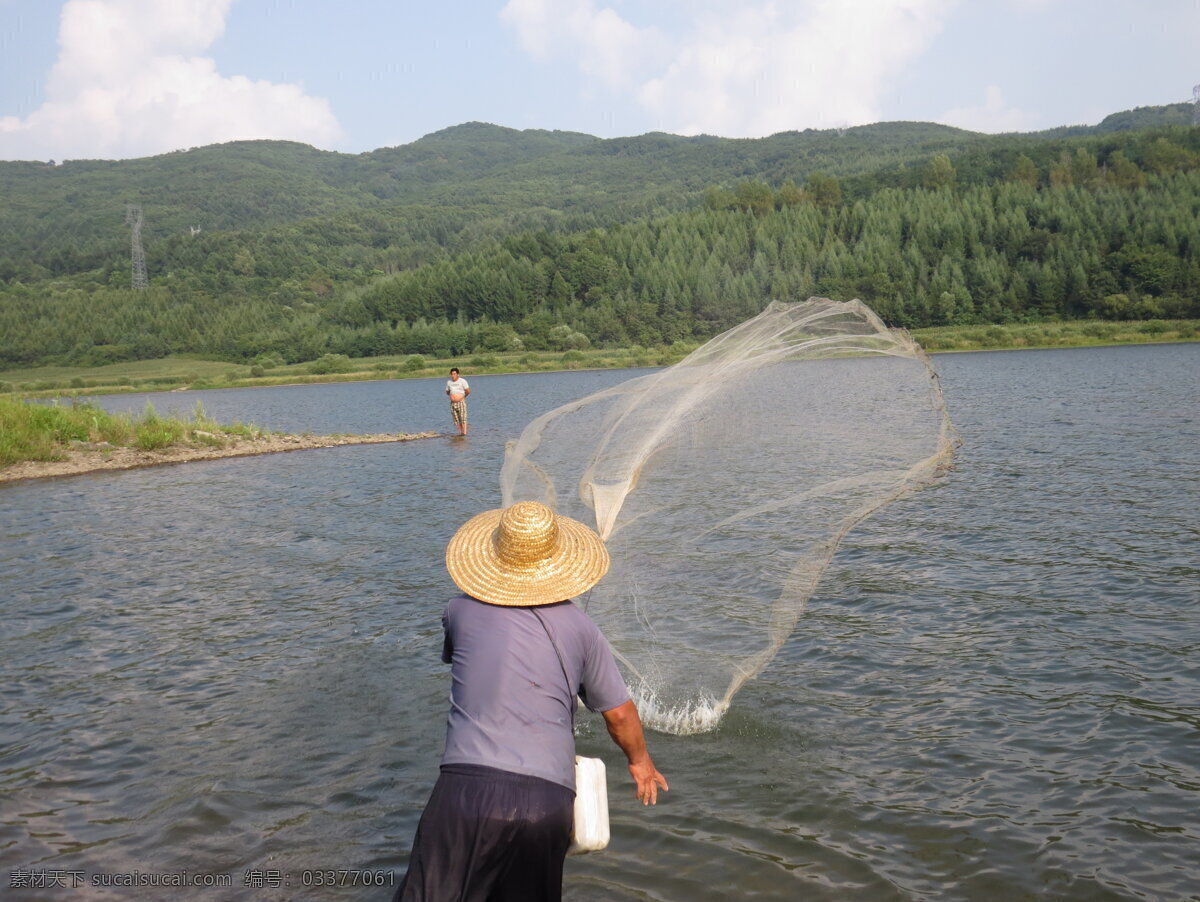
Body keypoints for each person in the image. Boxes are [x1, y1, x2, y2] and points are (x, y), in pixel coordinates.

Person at [394, 500, 668, 902]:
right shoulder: (583, 629)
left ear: (494, 556)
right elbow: (620, 714)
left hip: (466, 790)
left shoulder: (459, 611)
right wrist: (640, 762)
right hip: (547, 800)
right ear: (559, 563)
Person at [445, 368, 470, 435]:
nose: (453, 375)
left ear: (458, 374)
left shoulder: (462, 381)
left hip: (461, 402)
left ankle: (464, 433)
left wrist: (462, 397)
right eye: (452, 374)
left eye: (454, 374)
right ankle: (460, 432)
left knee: (462, 418)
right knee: (456, 419)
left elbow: (468, 391)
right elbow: (447, 391)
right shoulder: (449, 382)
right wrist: (452, 396)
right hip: (453, 403)